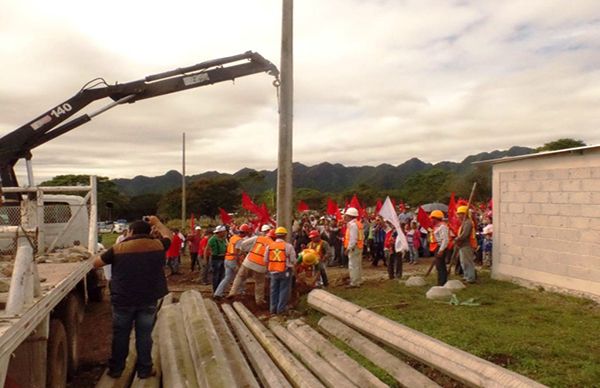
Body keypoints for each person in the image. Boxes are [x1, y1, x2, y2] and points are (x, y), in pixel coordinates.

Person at [92, 216, 171, 379]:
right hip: (148, 298)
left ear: (131, 231)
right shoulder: (157, 245)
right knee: (144, 335)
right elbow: (169, 236)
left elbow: (96, 263)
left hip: (123, 299)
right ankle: (145, 369)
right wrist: (157, 222)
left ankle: (116, 369)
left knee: (121, 334)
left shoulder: (119, 248)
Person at [228, 225, 274, 305]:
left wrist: (243, 250)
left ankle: (232, 292)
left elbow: (244, 244)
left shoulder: (258, 238)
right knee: (259, 283)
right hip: (261, 266)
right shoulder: (273, 244)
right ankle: (259, 301)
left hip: (249, 261)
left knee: (240, 277)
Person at [264, 227, 296, 314]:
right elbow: (293, 260)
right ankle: (280, 310)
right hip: (285, 271)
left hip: (273, 271)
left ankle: (272, 310)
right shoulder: (288, 246)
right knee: (284, 290)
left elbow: (265, 260)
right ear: (285, 235)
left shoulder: (269, 246)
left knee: (274, 290)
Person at [214, 224, 251, 299]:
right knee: (242, 275)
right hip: (233, 260)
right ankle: (241, 292)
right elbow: (236, 252)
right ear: (245, 232)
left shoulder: (233, 237)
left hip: (227, 259)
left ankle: (218, 293)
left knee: (227, 278)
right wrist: (238, 264)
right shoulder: (239, 240)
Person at [455, 206, 478, 283]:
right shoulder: (464, 223)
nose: (458, 216)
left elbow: (465, 234)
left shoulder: (468, 223)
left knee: (468, 262)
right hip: (462, 245)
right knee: (463, 262)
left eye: (460, 214)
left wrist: (457, 239)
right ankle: (466, 275)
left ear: (464, 214)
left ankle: (470, 278)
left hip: (467, 244)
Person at [343, 207, 364, 288]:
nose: (345, 217)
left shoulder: (352, 225)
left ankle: (354, 282)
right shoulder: (358, 224)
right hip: (359, 246)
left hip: (354, 247)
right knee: (358, 265)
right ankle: (358, 280)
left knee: (353, 265)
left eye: (346, 215)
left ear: (350, 216)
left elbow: (353, 239)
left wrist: (348, 248)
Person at [429, 210, 449, 286]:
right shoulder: (437, 226)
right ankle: (441, 281)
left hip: (441, 247)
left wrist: (441, 250)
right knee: (439, 265)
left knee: (440, 265)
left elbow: (445, 239)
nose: (431, 220)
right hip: (437, 246)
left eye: (432, 218)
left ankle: (442, 282)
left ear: (436, 218)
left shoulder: (443, 226)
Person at [208, 225, 228, 292]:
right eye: (224, 232)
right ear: (220, 232)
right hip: (216, 259)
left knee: (221, 275)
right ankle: (215, 290)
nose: (225, 233)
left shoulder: (223, 239)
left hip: (222, 258)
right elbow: (208, 249)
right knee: (216, 275)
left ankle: (219, 290)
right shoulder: (213, 239)